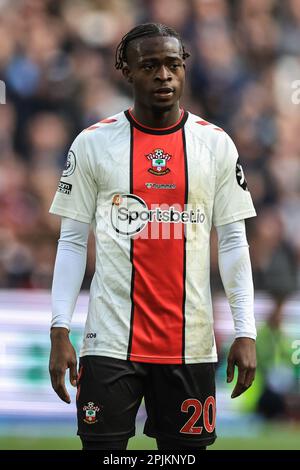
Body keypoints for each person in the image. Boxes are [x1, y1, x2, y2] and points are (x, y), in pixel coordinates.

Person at [49, 23, 257, 451]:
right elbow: (71, 242)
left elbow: (234, 242)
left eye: (173, 65)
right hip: (108, 341)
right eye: (150, 66)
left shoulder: (215, 145)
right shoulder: (92, 144)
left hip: (191, 343)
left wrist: (245, 330)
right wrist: (59, 329)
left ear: (184, 68)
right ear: (126, 71)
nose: (164, 75)